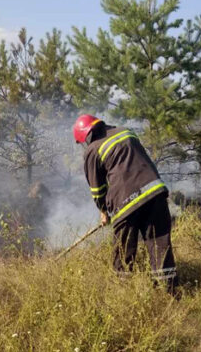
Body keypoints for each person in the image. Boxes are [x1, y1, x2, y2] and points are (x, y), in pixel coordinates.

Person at [73, 113, 178, 294]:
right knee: (160, 247)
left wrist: (104, 211)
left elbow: (97, 189)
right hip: (155, 193)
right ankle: (170, 294)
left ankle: (123, 295)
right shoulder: (125, 132)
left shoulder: (92, 150)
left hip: (126, 202)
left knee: (123, 253)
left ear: (86, 136)